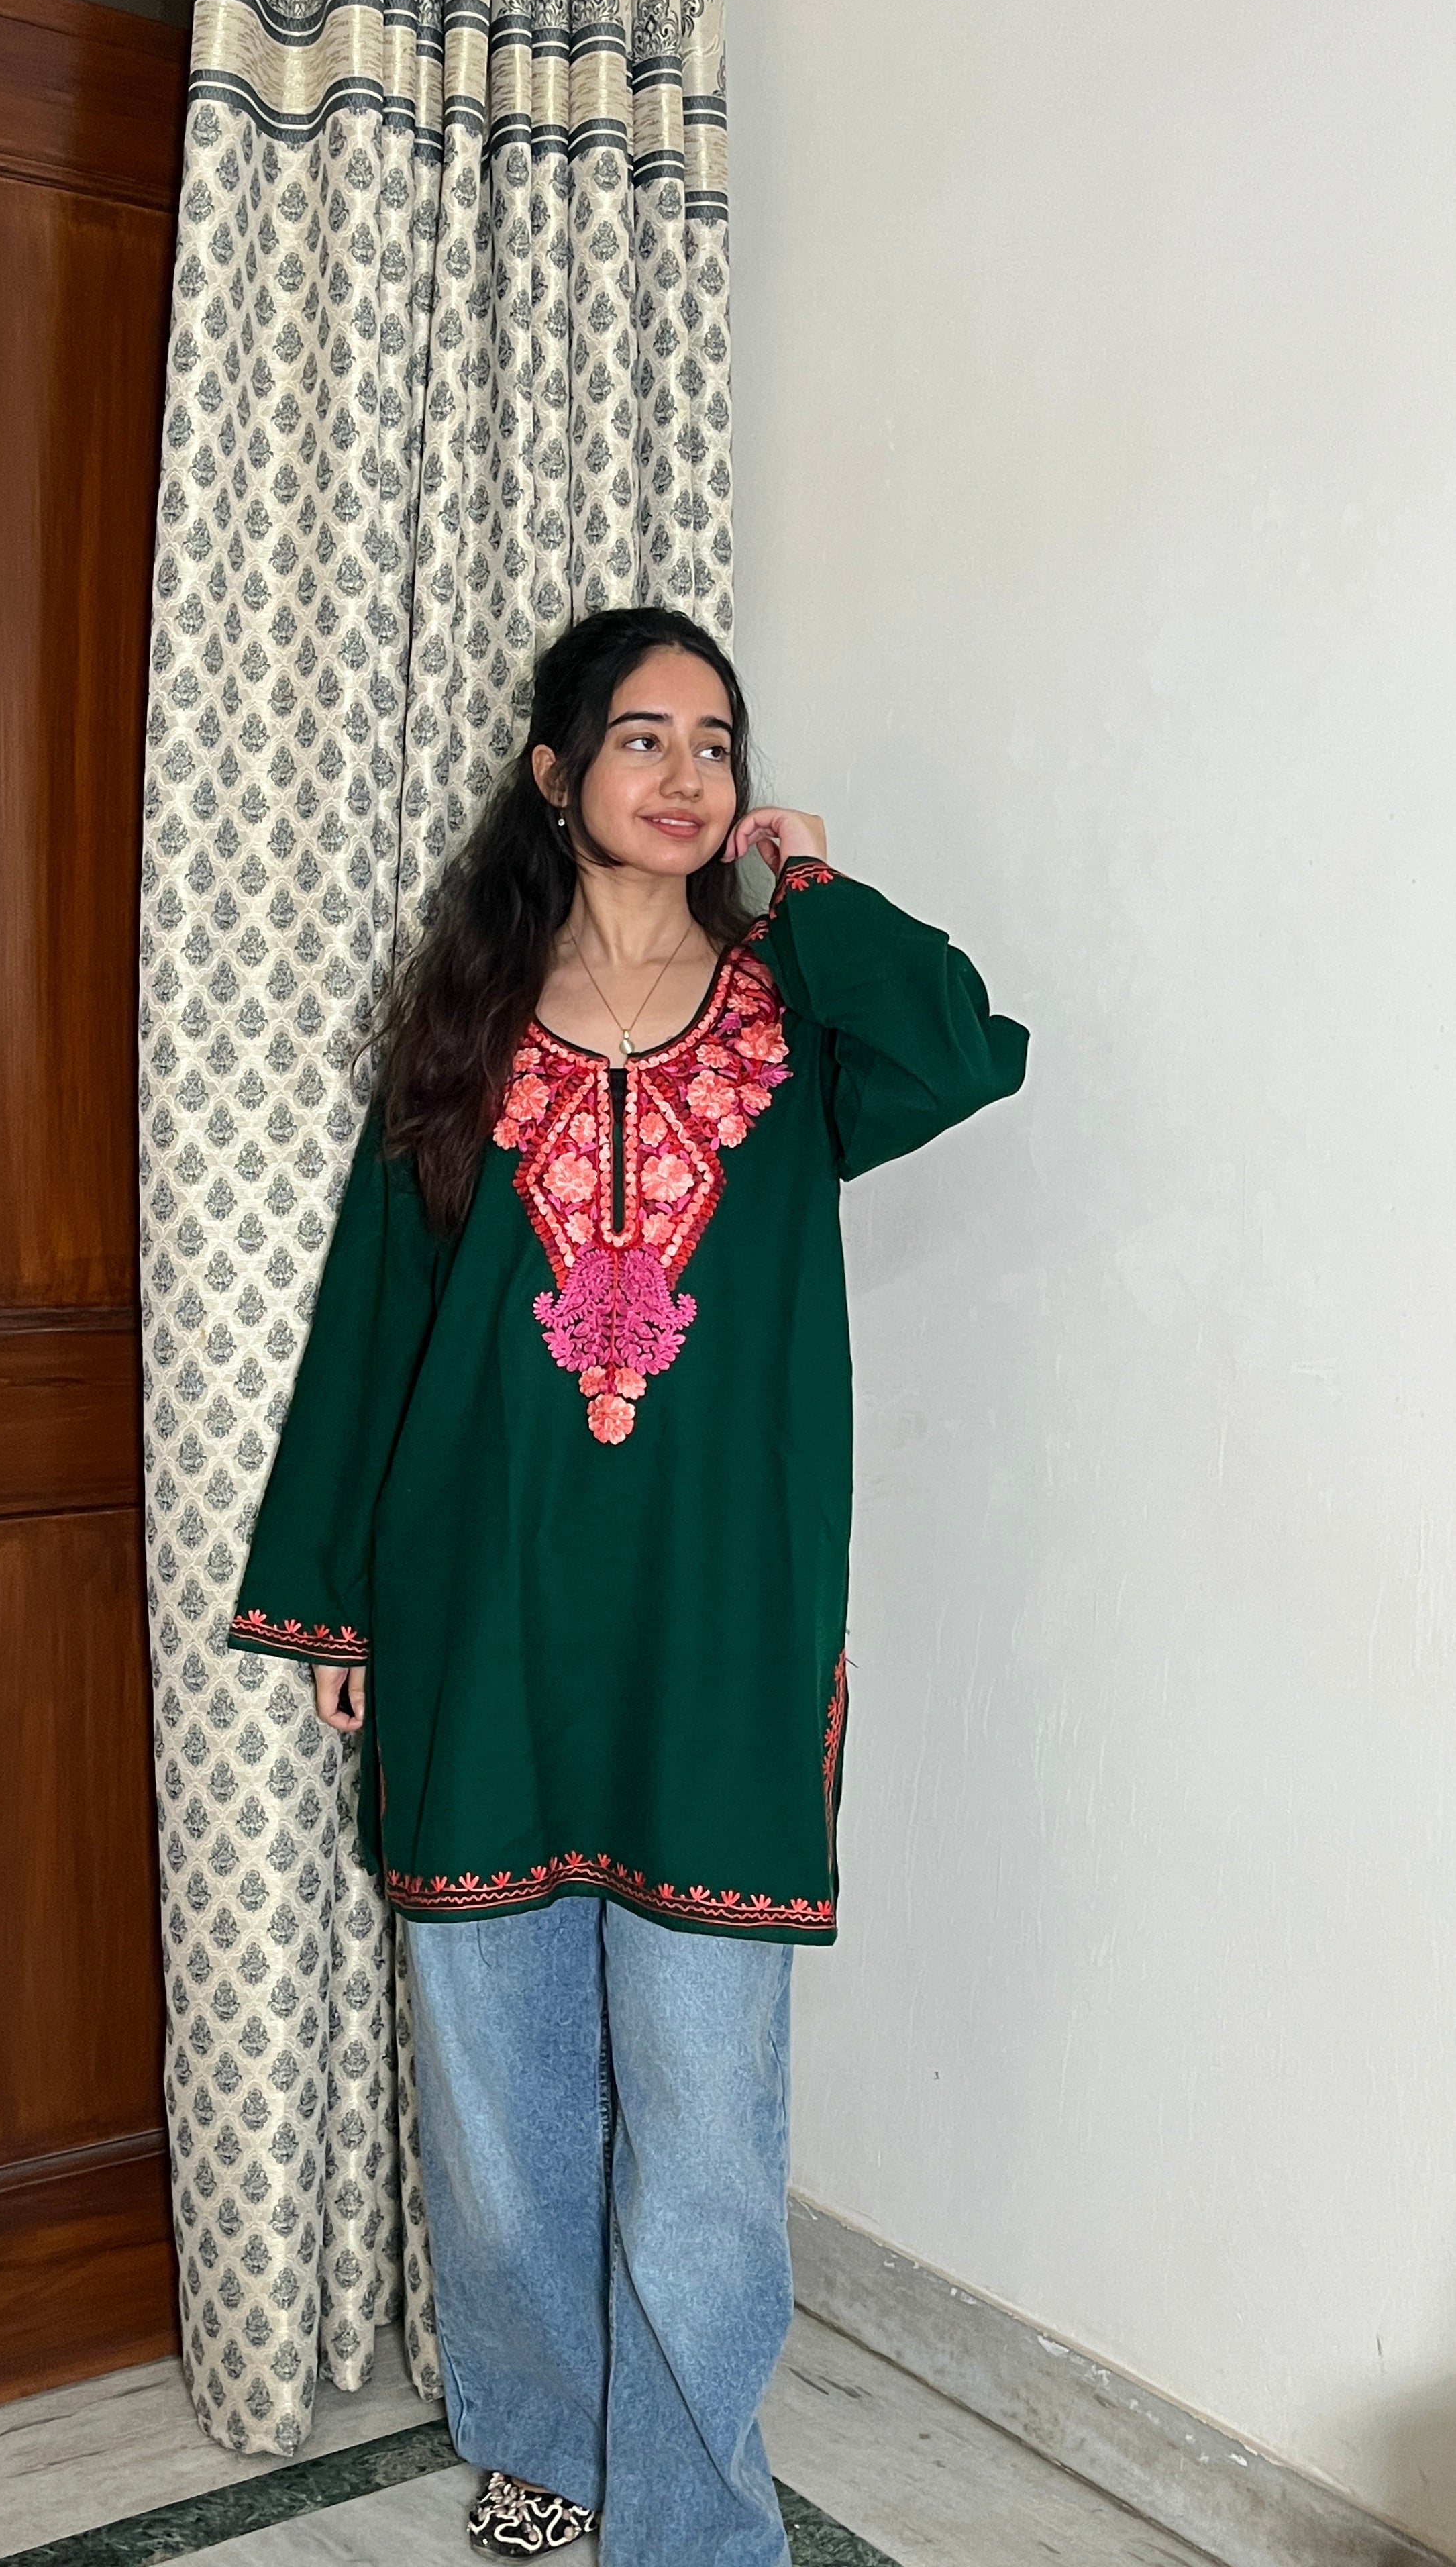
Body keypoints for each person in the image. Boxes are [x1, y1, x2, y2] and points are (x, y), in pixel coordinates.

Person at [228, 605, 1027, 2566]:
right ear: (554, 773)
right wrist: (336, 1600)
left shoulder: (792, 1020)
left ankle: (690, 2523)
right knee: (500, 2109)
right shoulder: (465, 1032)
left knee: (705, 2123)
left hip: (715, 1631)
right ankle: (540, 2446)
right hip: (481, 1622)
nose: (684, 774)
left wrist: (809, 890)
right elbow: (374, 1323)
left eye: (715, 743)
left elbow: (965, 1049)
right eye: (643, 737)